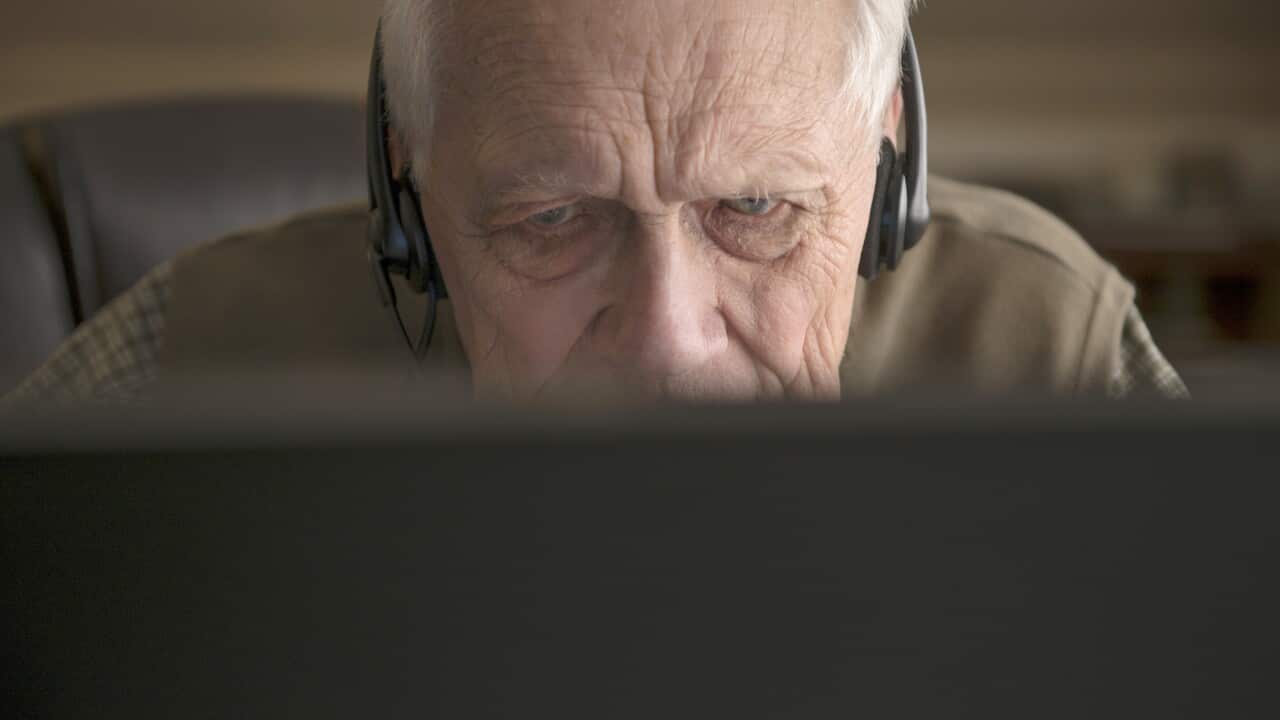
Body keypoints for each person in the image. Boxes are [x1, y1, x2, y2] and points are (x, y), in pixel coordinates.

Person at [6, 0, 1186, 405]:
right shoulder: (188, 362)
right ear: (407, 180)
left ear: (882, 160)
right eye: (550, 221)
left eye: (757, 209)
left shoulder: (1052, 344)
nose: (669, 341)